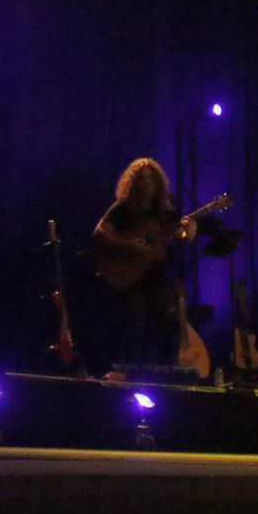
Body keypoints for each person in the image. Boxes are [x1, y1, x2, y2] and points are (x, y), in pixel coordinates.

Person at [93, 158, 196, 370]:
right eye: (142, 178)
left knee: (170, 319)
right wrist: (131, 246)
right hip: (131, 276)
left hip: (155, 275)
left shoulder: (164, 211)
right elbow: (101, 232)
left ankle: (165, 369)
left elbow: (180, 235)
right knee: (136, 324)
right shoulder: (123, 208)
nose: (147, 183)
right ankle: (129, 370)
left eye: (150, 178)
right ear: (134, 182)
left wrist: (191, 230)